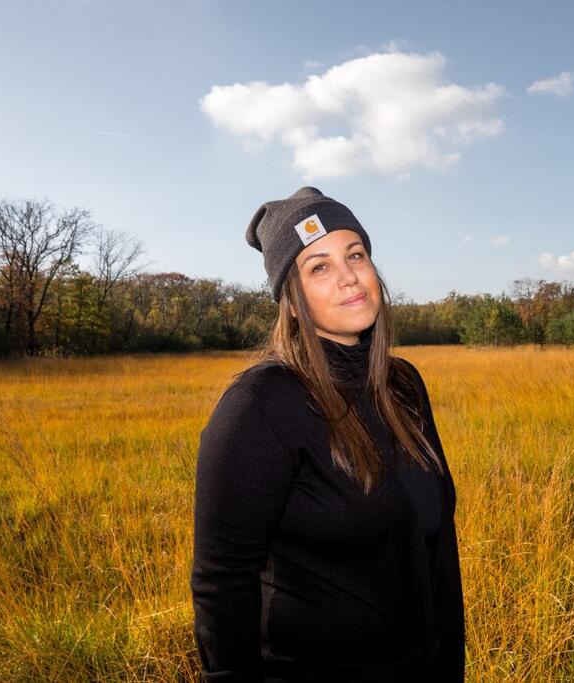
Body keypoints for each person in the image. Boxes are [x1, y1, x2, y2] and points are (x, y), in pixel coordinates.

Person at [191, 186, 465, 682]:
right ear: (292, 302)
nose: (348, 277)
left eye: (355, 254)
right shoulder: (260, 405)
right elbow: (221, 583)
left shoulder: (403, 385)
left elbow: (438, 551)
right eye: (318, 266)